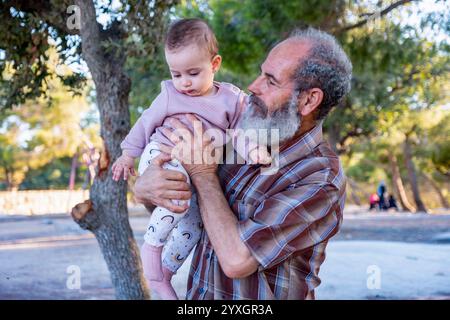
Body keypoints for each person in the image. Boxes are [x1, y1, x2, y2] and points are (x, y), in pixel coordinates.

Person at [134, 27, 353, 300]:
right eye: (261, 73)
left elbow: (237, 261)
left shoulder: (320, 178)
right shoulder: (243, 139)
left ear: (309, 100)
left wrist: (202, 173)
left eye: (270, 81)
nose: (253, 86)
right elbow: (182, 205)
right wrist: (145, 189)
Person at [111, 18, 271, 299]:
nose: (184, 82)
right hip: (164, 154)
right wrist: (127, 155)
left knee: (194, 224)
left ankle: (166, 272)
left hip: (197, 167)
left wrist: (254, 150)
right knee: (176, 196)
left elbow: (239, 131)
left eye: (193, 73)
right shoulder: (170, 94)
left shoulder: (232, 99)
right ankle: (151, 257)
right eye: (177, 74)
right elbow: (145, 122)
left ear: (215, 64)